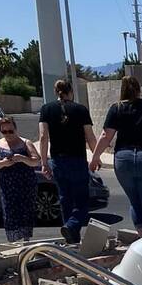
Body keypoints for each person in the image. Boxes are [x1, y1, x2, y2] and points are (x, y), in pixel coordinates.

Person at [90, 77, 142, 239]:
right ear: (139, 90)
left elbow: (106, 136)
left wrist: (95, 157)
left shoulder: (116, 108)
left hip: (124, 159)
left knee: (135, 202)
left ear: (122, 90)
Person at [38, 79, 96, 245]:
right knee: (82, 201)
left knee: (65, 199)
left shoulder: (46, 109)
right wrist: (95, 155)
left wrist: (43, 162)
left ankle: (72, 239)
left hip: (57, 160)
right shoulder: (81, 110)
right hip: (77, 159)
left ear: (56, 92)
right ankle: (71, 226)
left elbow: (43, 137)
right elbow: (90, 136)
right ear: (71, 91)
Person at [0, 117, 40, 242]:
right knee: (10, 212)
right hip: (7, 184)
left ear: (15, 129)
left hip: (25, 183)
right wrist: (3, 163)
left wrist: (23, 159)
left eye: (10, 131)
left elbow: (36, 161)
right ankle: (13, 241)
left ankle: (26, 240)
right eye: (4, 132)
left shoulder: (25, 143)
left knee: (26, 211)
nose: (8, 134)